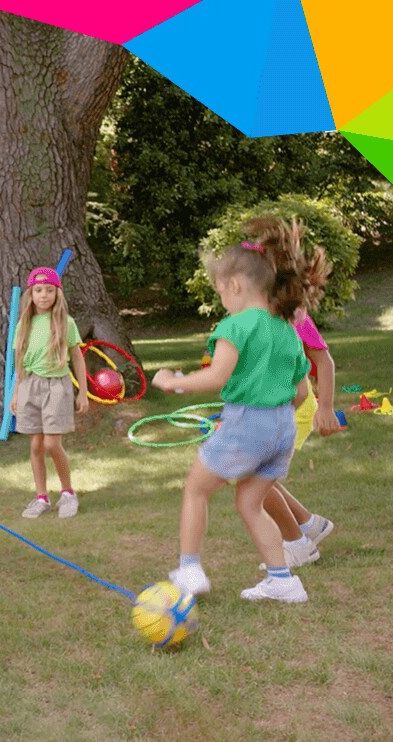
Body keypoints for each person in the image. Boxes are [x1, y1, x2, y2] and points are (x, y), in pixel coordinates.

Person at [154, 216, 327, 603]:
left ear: (233, 285)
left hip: (249, 422)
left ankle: (190, 569)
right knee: (250, 504)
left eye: (221, 292)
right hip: (282, 429)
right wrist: (272, 416)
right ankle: (283, 581)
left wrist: (172, 382)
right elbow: (302, 392)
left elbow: (217, 376)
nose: (223, 300)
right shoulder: (286, 329)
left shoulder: (235, 326)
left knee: (196, 490)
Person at [262, 307, 341, 567]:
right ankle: (309, 525)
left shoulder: (294, 314)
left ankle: (297, 544)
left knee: (254, 477)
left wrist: (326, 407)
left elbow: (324, 361)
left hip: (294, 408)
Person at [11, 266, 89, 519]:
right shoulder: (24, 324)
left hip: (56, 385)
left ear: (57, 293)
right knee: (36, 444)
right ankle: (41, 497)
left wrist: (83, 392)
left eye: (49, 290)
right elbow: (19, 362)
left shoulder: (66, 323)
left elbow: (77, 357)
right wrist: (16, 393)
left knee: (52, 443)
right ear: (31, 294)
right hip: (29, 386)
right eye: (38, 290)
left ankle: (68, 493)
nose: (43, 295)